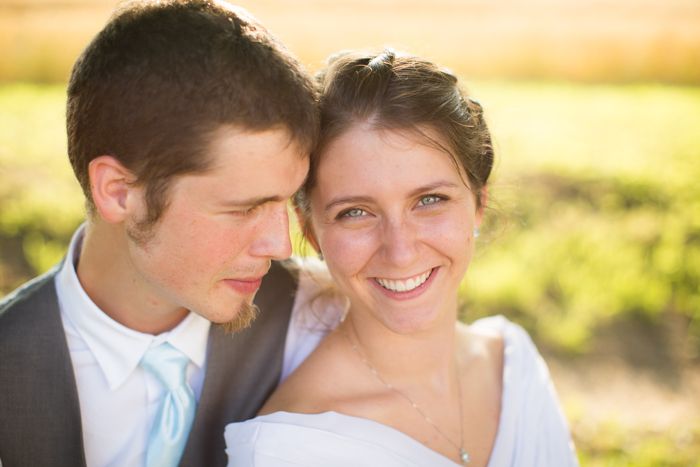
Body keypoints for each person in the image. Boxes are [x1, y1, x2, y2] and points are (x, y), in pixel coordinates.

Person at [0, 1, 319, 466]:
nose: (281, 245)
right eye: (243, 208)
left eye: (286, 201)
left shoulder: (319, 321)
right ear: (118, 192)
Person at [224, 50, 579, 466]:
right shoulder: (292, 448)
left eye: (429, 200)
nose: (400, 250)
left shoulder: (514, 367)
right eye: (354, 212)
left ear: (478, 204)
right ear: (309, 231)